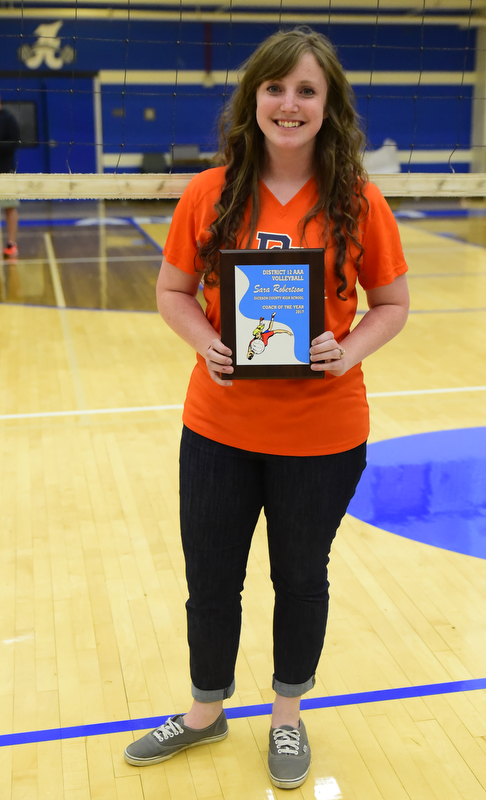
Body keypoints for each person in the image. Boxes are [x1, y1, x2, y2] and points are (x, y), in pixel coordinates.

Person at [124, 26, 409, 789]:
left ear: (328, 105)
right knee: (211, 577)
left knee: (299, 576)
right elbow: (172, 292)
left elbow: (393, 303)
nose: (289, 103)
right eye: (275, 88)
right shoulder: (208, 193)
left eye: (306, 90)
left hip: (323, 431)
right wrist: (206, 343)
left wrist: (346, 350)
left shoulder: (358, 200)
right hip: (218, 425)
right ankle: (204, 712)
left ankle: (286, 716)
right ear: (254, 99)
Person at [0, 95, 21, 259]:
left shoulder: (8, 119)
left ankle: (11, 243)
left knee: (9, 207)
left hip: (5, 171)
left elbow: (14, 142)